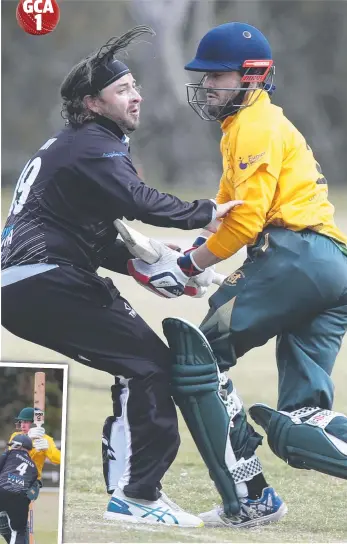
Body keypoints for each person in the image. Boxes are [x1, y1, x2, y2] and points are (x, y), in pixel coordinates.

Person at [1, 26, 240, 527]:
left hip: (29, 285)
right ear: (92, 102)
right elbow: (139, 200)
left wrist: (144, 263)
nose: (137, 96)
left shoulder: (75, 145)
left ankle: (129, 490)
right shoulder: (93, 144)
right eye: (123, 89)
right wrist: (206, 212)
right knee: (150, 365)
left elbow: (86, 231)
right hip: (47, 281)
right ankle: (137, 496)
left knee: (139, 366)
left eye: (134, 85)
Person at [128, 22, 347, 527]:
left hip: (296, 256)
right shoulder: (247, 128)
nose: (207, 86)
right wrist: (192, 255)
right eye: (205, 77)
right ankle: (262, 483)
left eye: (217, 76)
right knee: (300, 420)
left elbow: (249, 221)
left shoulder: (255, 127)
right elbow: (228, 217)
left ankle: (251, 500)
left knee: (195, 363)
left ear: (252, 76)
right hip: (330, 266)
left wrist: (187, 267)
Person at [0, 435, 39, 544]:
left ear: (18, 445)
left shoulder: (9, 453)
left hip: (2, 489)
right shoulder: (34, 468)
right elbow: (32, 491)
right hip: (20, 499)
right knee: (19, 532)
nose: (11, 447)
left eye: (12, 445)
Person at [9, 407, 61, 479]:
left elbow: (58, 459)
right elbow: (11, 455)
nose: (22, 425)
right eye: (21, 421)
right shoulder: (16, 436)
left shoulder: (46, 439)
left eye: (26, 422)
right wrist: (28, 439)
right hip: (13, 477)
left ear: (34, 423)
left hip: (33, 481)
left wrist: (47, 448)